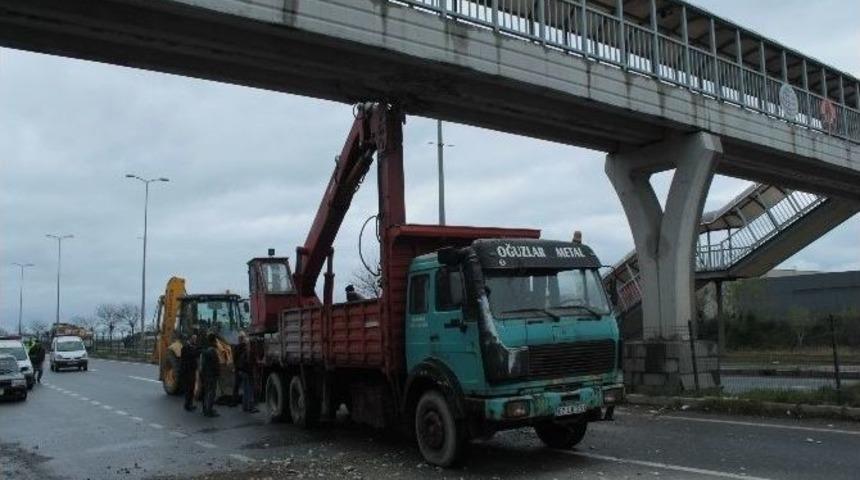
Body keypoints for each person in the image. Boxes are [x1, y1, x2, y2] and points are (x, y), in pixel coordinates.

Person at [235, 332, 259, 413]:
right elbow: (251, 363)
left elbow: (236, 360)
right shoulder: (247, 352)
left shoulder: (238, 348)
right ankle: (251, 407)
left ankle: (245, 406)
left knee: (245, 390)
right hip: (247, 372)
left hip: (241, 371)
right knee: (250, 390)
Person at [199, 332, 220, 418]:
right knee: (211, 393)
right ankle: (209, 410)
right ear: (214, 341)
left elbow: (202, 365)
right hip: (211, 376)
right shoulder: (213, 352)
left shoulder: (204, 351)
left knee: (205, 392)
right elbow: (216, 365)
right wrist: (218, 373)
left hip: (205, 375)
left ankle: (204, 409)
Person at [179, 334, 199, 411]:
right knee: (189, 389)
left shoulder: (192, 347)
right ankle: (187, 405)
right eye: (194, 339)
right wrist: (198, 351)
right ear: (190, 339)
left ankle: (190, 404)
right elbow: (191, 355)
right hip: (188, 371)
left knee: (192, 388)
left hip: (192, 370)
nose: (195, 340)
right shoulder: (186, 347)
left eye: (196, 339)